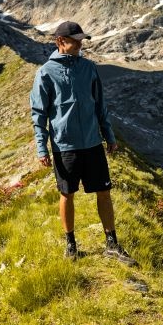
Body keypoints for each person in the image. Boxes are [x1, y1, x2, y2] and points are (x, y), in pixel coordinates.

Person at [30, 21, 136, 265]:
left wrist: (109, 135)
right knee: (67, 194)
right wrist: (41, 148)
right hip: (64, 145)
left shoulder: (89, 68)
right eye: (75, 40)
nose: (80, 44)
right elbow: (39, 114)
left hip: (92, 143)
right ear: (60, 41)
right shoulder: (45, 72)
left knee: (104, 192)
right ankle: (71, 245)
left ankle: (112, 243)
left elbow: (100, 104)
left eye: (81, 40)